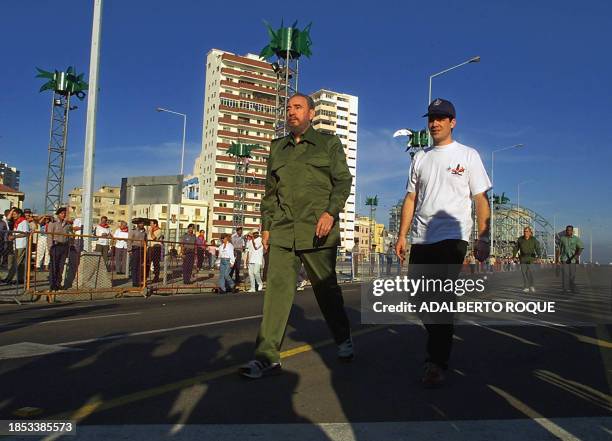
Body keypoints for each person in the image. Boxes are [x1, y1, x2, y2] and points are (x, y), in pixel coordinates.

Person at [240, 93, 354, 379]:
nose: (291, 112)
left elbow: (343, 181)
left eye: (298, 107)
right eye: (288, 108)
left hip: (318, 231)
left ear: (311, 113)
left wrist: (331, 212)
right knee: (276, 293)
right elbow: (269, 193)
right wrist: (266, 225)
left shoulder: (329, 144)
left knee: (326, 291)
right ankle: (266, 356)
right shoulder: (277, 148)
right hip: (282, 231)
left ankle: (342, 337)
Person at [395, 98, 491, 387]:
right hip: (422, 237)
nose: (434, 123)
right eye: (431, 118)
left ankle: (436, 361)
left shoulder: (468, 155)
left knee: (439, 298)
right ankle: (441, 334)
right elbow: (411, 199)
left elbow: (481, 200)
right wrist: (402, 235)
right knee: (417, 297)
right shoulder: (420, 158)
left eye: (441, 118)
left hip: (453, 235)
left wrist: (483, 236)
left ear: (453, 122)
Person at [46, 207, 72, 291]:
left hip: (64, 247)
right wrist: (50, 248)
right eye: (61, 213)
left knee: (61, 267)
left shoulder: (67, 225)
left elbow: (69, 236)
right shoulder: (53, 223)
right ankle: (52, 284)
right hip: (55, 246)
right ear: (58, 214)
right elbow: (50, 236)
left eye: (64, 213)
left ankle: (58, 283)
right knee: (54, 266)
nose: (63, 215)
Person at [3, 208, 30, 285]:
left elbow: (25, 233)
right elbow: (7, 218)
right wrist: (12, 211)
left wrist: (14, 237)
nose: (13, 215)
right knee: (20, 264)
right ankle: (20, 279)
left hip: (21, 245)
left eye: (15, 214)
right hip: (17, 245)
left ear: (19, 214)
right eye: (13, 214)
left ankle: (9, 279)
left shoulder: (23, 222)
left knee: (16, 263)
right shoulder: (16, 222)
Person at [556, 225, 584, 294]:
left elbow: (581, 247)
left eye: (570, 230)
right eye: (567, 230)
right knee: (565, 275)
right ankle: (565, 289)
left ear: (572, 231)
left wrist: (577, 255)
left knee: (572, 275)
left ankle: (572, 288)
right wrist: (557, 259)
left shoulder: (576, 239)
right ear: (566, 231)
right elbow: (559, 249)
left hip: (573, 260)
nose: (568, 231)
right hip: (564, 259)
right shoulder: (562, 239)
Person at [513, 226, 541, 292]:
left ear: (530, 232)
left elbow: (537, 248)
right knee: (524, 273)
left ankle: (532, 285)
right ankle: (526, 287)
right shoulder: (520, 239)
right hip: (523, 258)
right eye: (524, 231)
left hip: (531, 258)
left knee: (530, 272)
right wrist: (514, 256)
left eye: (527, 231)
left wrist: (539, 256)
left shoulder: (533, 239)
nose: (525, 233)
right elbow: (516, 248)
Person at [128, 219, 147, 287]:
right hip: (135, 249)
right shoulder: (133, 231)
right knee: (134, 266)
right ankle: (134, 281)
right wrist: (129, 250)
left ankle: (139, 281)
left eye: (143, 223)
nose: (142, 224)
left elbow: (146, 241)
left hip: (142, 250)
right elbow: (129, 241)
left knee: (140, 266)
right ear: (138, 224)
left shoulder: (144, 232)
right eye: (141, 223)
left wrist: (145, 249)